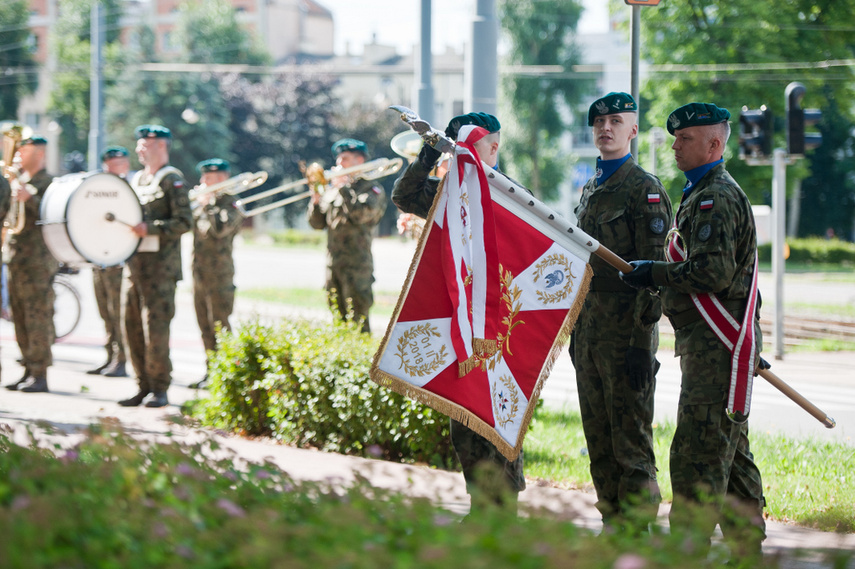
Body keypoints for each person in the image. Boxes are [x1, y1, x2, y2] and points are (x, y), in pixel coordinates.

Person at [619, 103, 766, 557]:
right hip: (715, 344)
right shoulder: (702, 190)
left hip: (716, 347)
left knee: (697, 457)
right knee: (730, 449)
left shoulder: (714, 197)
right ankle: (748, 552)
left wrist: (654, 273)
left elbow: (713, 273)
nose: (675, 146)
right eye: (675, 138)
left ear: (714, 145)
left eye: (685, 139)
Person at [391, 112, 526, 515]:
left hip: (501, 327)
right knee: (464, 420)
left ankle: (504, 511)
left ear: (494, 148)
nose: (462, 152)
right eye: (456, 145)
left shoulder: (510, 193)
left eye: (472, 144)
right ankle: (480, 505)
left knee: (500, 416)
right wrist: (432, 151)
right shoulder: (446, 193)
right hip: (460, 324)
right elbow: (403, 194)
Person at [572, 92, 672, 534]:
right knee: (598, 436)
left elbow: (656, 274)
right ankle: (612, 524)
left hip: (626, 335)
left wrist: (640, 342)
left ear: (633, 130)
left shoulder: (644, 189)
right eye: (598, 122)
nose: (605, 128)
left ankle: (635, 531)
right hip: (588, 333)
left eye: (615, 120)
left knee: (630, 440)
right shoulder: (591, 188)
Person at [119, 124, 192, 408]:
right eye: (139, 143)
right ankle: (142, 385)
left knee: (156, 331)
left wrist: (150, 228)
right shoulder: (137, 180)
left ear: (161, 145)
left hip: (160, 271)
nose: (139, 148)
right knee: (132, 328)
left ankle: (159, 388)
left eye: (145, 144)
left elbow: (184, 222)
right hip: (135, 268)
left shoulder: (171, 179)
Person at [307, 138, 387, 333]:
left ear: (360, 160)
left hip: (357, 265)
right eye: (338, 159)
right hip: (333, 264)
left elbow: (360, 215)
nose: (338, 164)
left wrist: (343, 187)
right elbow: (317, 224)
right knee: (338, 318)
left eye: (345, 158)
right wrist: (315, 200)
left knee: (358, 319)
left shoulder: (371, 189)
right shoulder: (333, 191)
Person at [3, 136, 59, 393]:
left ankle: (40, 373)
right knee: (21, 316)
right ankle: (27, 366)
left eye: (22, 151)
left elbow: (53, 218)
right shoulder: (19, 181)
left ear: (38, 154)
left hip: (38, 261)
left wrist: (30, 199)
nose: (16, 156)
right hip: (17, 258)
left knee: (38, 316)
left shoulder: (49, 184)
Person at [190, 158, 242, 389]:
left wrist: (208, 205)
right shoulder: (203, 205)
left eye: (208, 178)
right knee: (204, 325)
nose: (202, 182)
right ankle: (211, 372)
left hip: (220, 275)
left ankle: (226, 375)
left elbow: (220, 230)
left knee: (220, 325)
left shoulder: (231, 206)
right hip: (199, 274)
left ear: (222, 179)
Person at [87, 145, 132, 378]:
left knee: (118, 313)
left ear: (126, 165)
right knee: (105, 312)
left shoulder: (130, 189)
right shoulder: (99, 188)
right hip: (100, 259)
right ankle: (110, 355)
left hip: (119, 261)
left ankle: (122, 359)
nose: (114, 168)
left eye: (119, 164)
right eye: (110, 165)